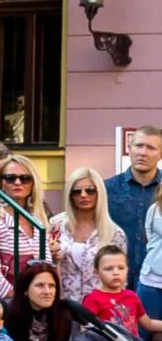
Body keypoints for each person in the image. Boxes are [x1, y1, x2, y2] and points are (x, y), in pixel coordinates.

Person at [0, 154, 49, 298]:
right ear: (1, 183)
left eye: (25, 178)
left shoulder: (38, 219)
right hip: (7, 303)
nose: (17, 182)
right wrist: (18, 298)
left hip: (38, 301)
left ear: (33, 183)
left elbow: (47, 266)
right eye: (10, 178)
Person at [55, 170, 124, 303]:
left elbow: (121, 277)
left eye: (90, 190)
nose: (83, 195)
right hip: (63, 305)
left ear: (99, 193)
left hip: (100, 307)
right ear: (70, 195)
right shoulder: (56, 225)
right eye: (76, 191)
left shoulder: (114, 233)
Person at [107, 125, 162, 284]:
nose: (143, 153)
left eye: (151, 148)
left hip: (156, 283)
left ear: (160, 154)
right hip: (116, 281)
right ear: (129, 148)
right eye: (138, 146)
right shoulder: (108, 188)